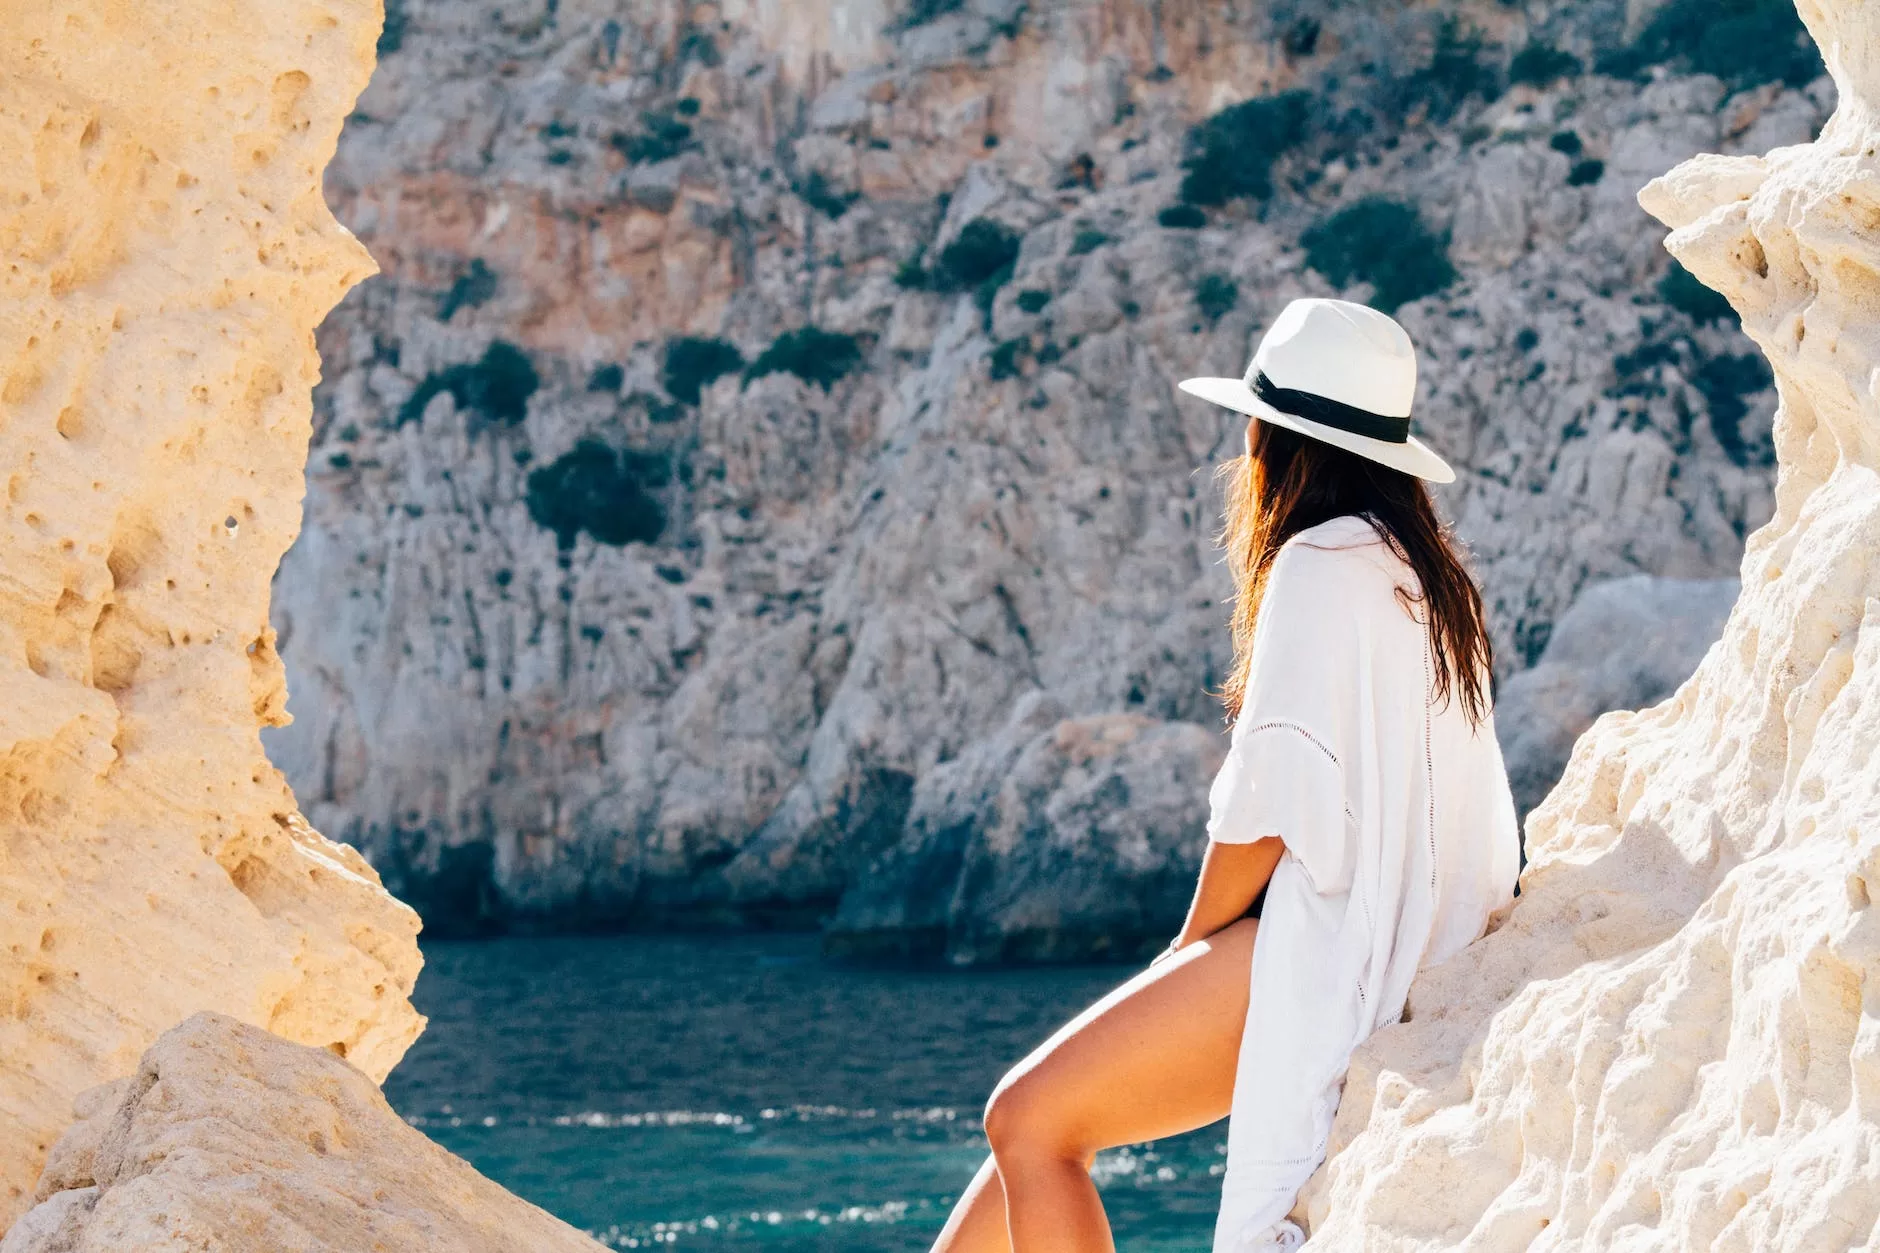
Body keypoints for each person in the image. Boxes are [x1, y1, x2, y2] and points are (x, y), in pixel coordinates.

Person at [929, 297, 1523, 1253]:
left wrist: (1185, 943)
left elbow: (1269, 805)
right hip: (1415, 946)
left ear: (1278, 442)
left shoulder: (1317, 562)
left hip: (1324, 947)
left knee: (1027, 1123)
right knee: (1025, 1139)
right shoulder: (1430, 580)